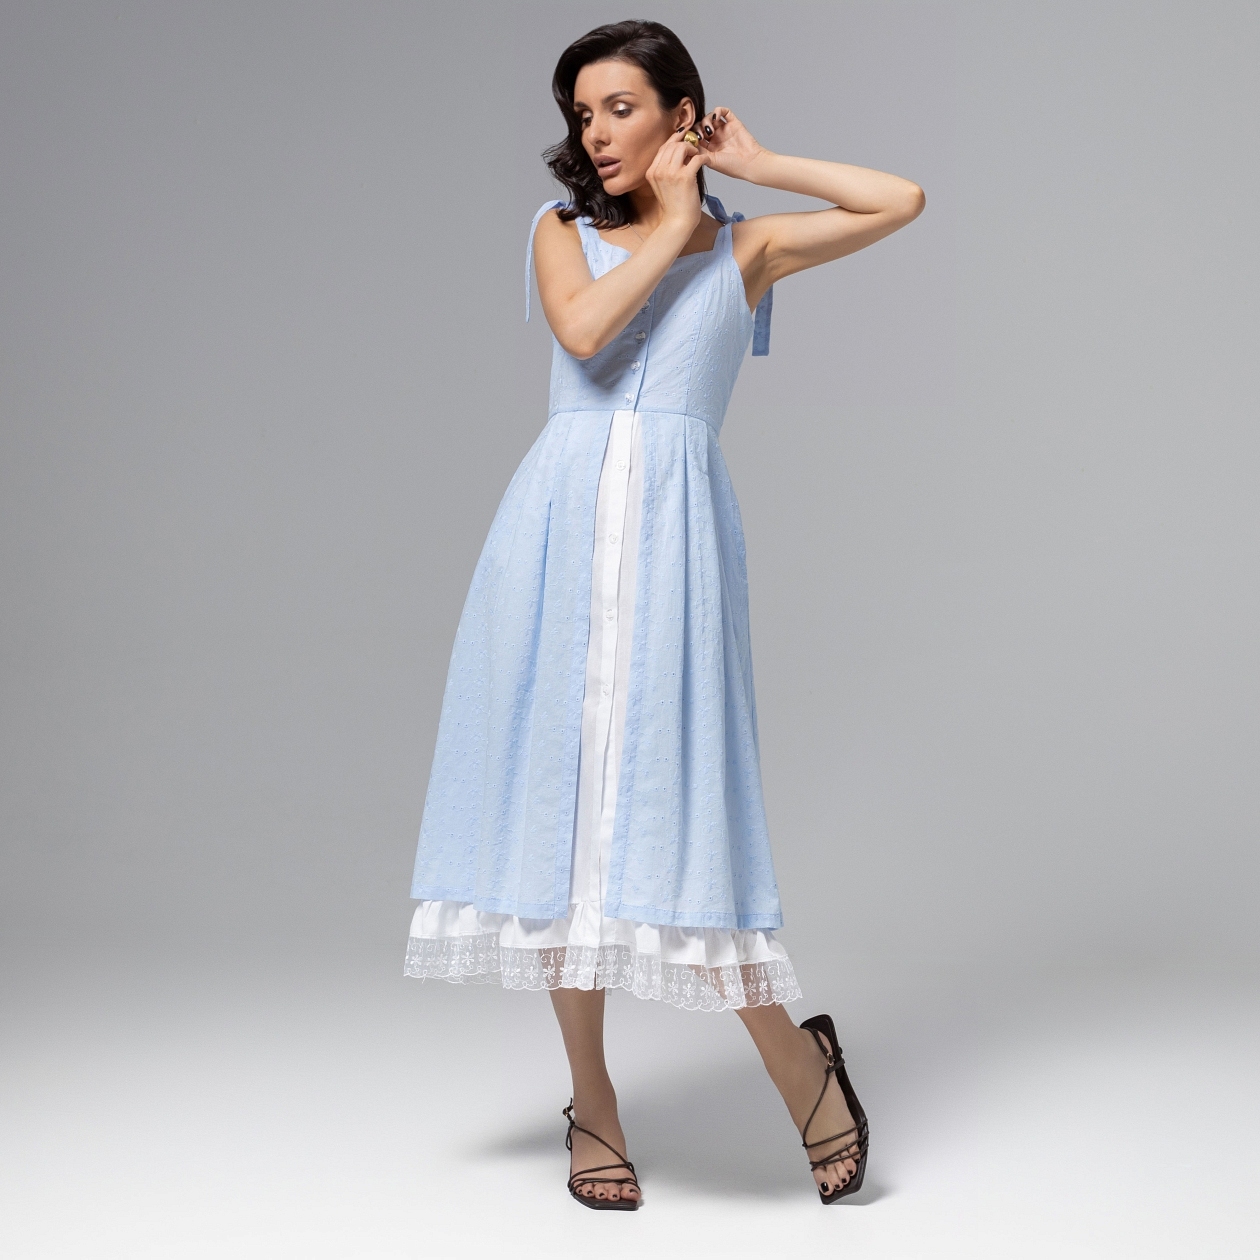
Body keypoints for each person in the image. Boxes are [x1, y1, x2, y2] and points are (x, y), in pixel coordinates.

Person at [405, 19, 923, 1209]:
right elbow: (586, 334)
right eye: (582, 113)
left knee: (688, 807)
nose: (596, 132)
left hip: (675, 549)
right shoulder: (560, 232)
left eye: (622, 107)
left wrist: (762, 167)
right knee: (559, 816)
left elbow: (900, 199)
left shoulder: (748, 250)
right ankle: (592, 1100)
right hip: (554, 546)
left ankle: (799, 1063)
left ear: (683, 114)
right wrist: (675, 220)